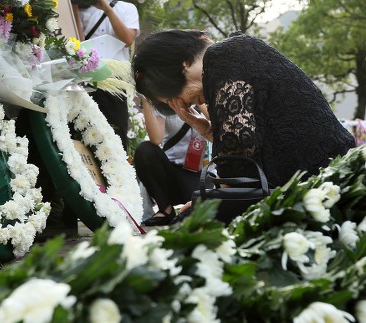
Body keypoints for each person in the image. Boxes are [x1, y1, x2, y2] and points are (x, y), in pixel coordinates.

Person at [132, 30, 356, 191]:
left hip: (330, 181)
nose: (184, 104)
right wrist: (205, 129)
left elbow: (239, 142)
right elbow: (254, 143)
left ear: (182, 66)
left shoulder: (222, 57)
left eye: (175, 96)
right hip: (330, 175)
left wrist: (222, 194)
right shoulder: (233, 52)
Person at [74, 0, 140, 151]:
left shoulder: (127, 8)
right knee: (82, 127)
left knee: (116, 130)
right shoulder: (82, 8)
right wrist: (74, 7)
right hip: (86, 77)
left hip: (114, 79)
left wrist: (106, 8)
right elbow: (78, 43)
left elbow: (128, 39)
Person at [135, 98, 208, 226]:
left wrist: (197, 98)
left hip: (199, 173)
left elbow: (217, 119)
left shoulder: (203, 96)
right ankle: (166, 210)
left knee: (199, 213)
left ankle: (188, 209)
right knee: (145, 150)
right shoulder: (166, 102)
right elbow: (156, 139)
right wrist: (147, 98)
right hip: (172, 169)